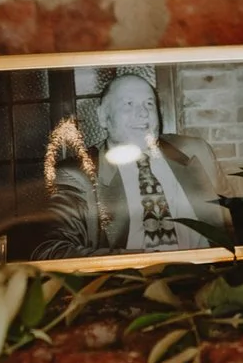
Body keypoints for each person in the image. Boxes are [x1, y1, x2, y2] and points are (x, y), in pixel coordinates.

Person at [35, 69, 228, 258]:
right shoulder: (77, 174)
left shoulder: (196, 152)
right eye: (128, 104)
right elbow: (50, 251)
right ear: (103, 117)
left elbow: (236, 224)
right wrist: (146, 261)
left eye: (149, 103)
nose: (143, 113)